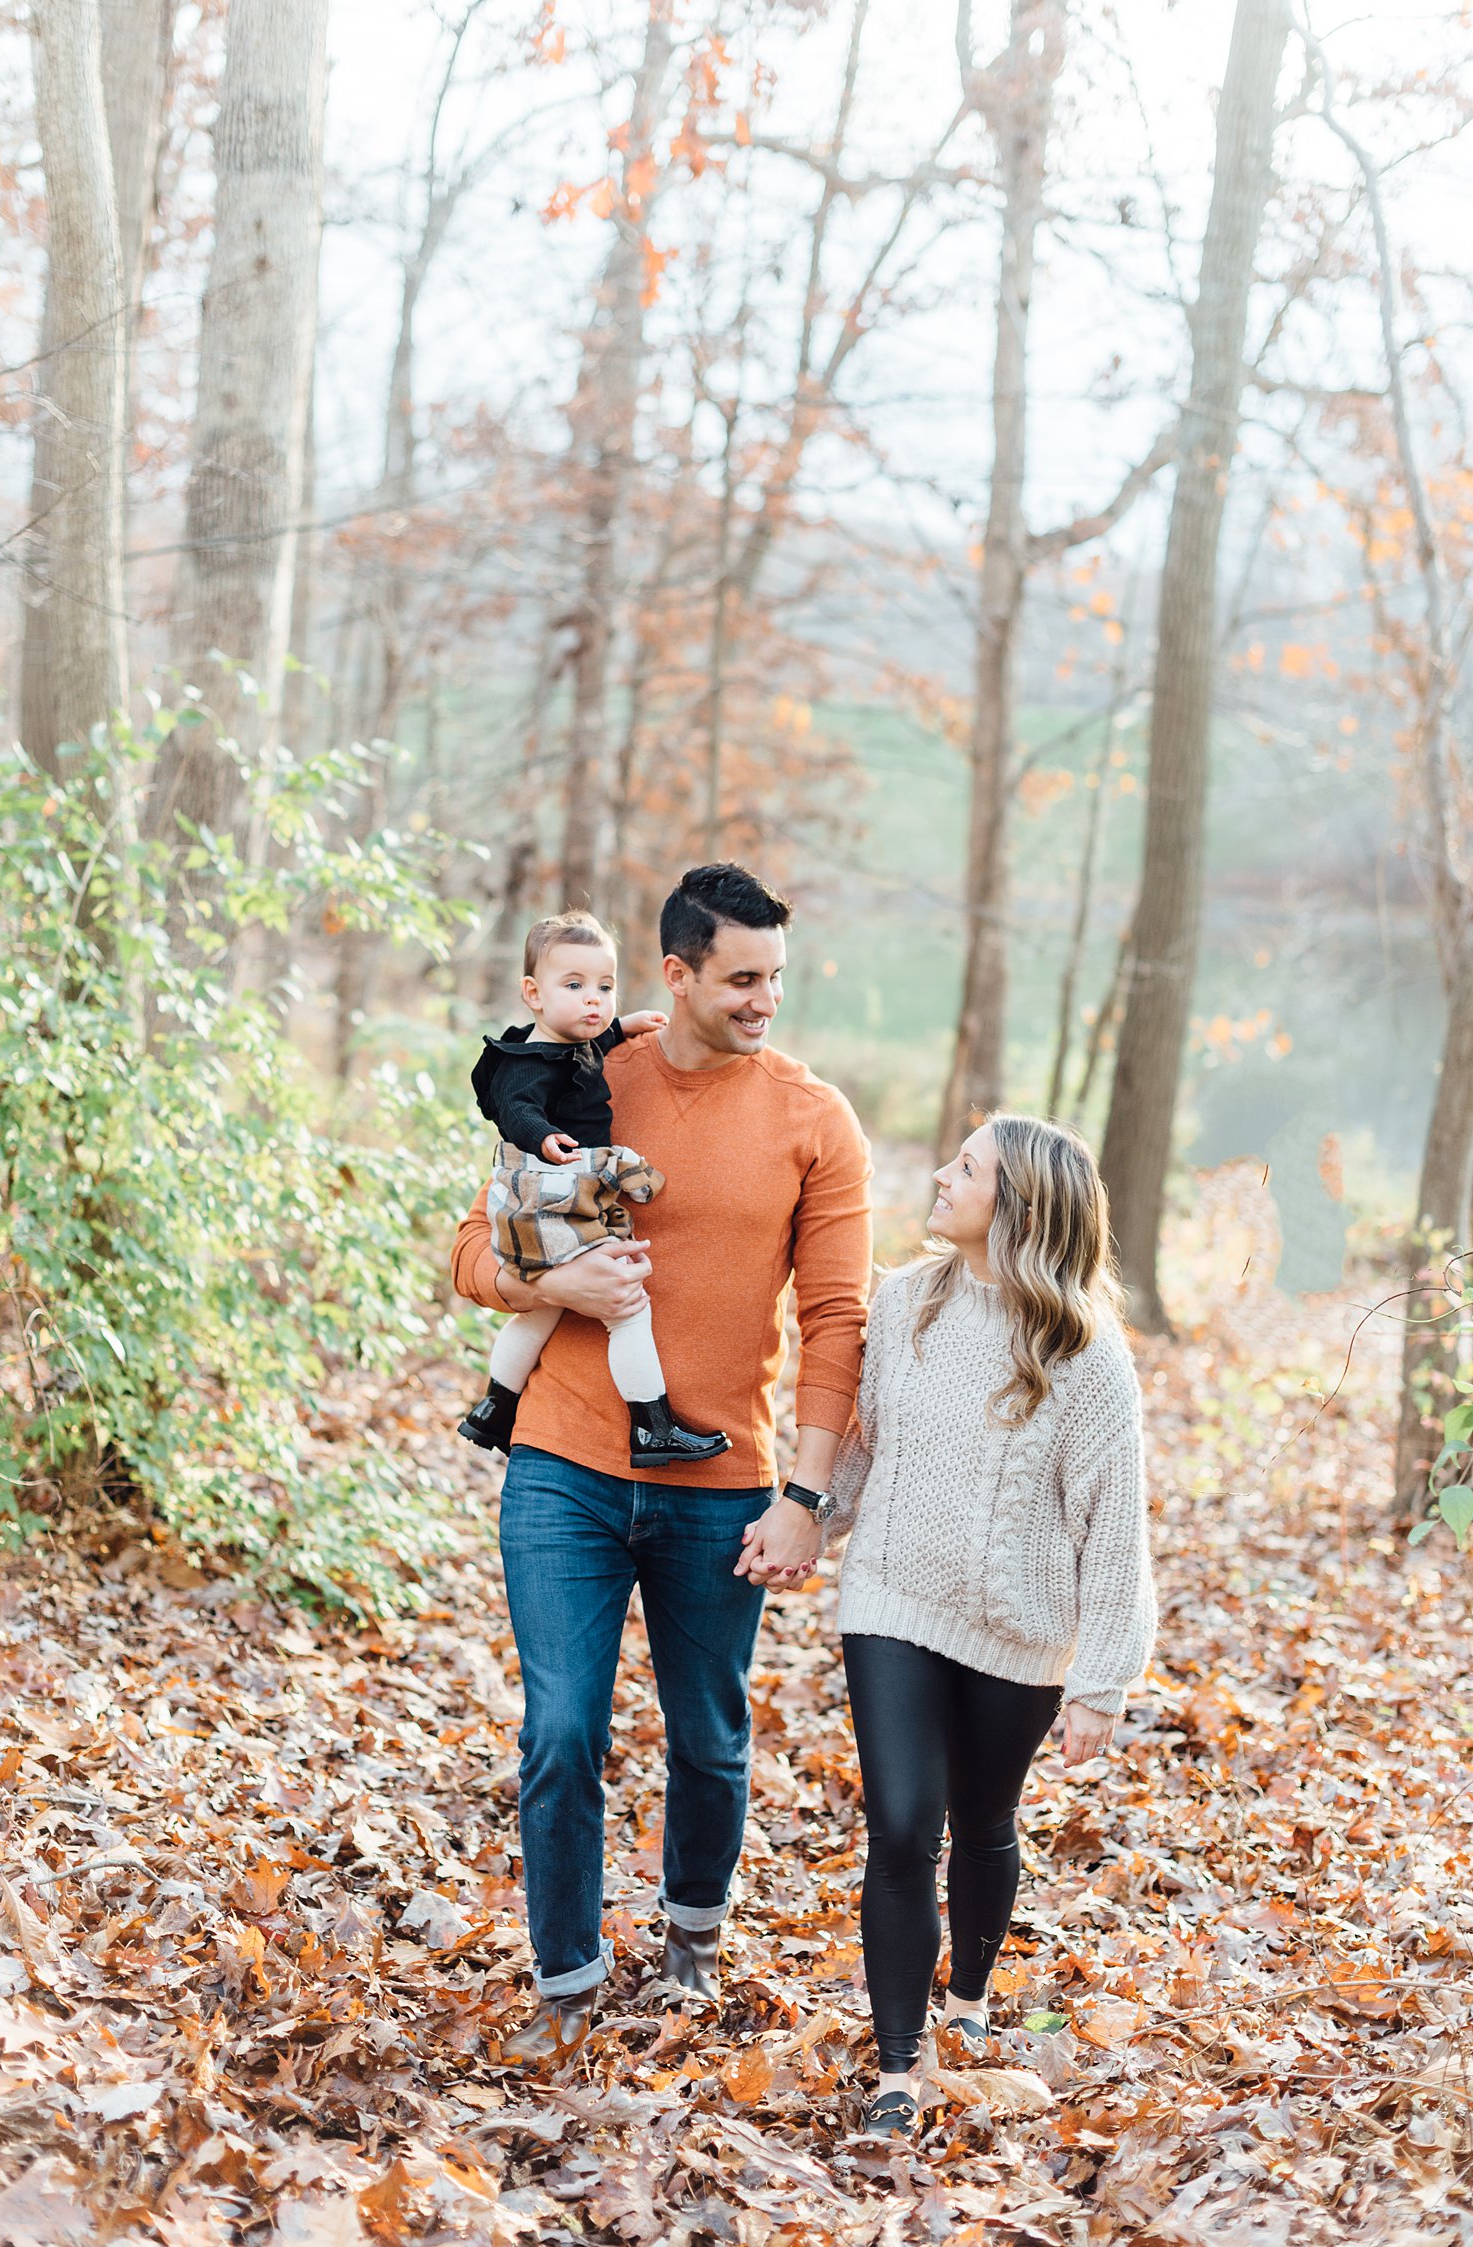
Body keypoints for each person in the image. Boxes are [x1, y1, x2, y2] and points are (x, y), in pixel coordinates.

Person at [450, 863, 872, 2067]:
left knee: (709, 1736)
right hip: (565, 1465)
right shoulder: (587, 1070)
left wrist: (807, 1493)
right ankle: (568, 1981)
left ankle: (692, 1935)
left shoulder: (813, 1121)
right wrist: (547, 1284)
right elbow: (476, 1241)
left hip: (720, 1481)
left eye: (777, 978)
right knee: (563, 1729)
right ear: (676, 974)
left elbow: (837, 1317)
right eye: (742, 979)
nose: (764, 1001)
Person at [817, 1113, 1156, 2138]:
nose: (941, 1176)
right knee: (903, 1825)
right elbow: (866, 1448)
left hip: (1019, 1628)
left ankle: (967, 1996)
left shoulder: (1085, 1355)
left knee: (985, 1823)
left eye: (966, 1168)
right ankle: (897, 2069)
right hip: (890, 1600)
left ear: (1016, 1206)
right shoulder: (905, 1300)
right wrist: (805, 1523)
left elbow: (1116, 1527)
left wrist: (1103, 1678)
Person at [458, 909, 731, 1471]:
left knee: (542, 1310)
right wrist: (545, 1137)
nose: (594, 1000)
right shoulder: (526, 1062)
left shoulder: (565, 1040)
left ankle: (493, 1408)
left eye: (605, 987)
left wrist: (622, 1025)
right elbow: (517, 1106)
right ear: (533, 993)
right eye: (575, 986)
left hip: (549, 1198)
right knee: (626, 1307)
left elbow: (590, 1046)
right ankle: (653, 1427)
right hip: (551, 1195)